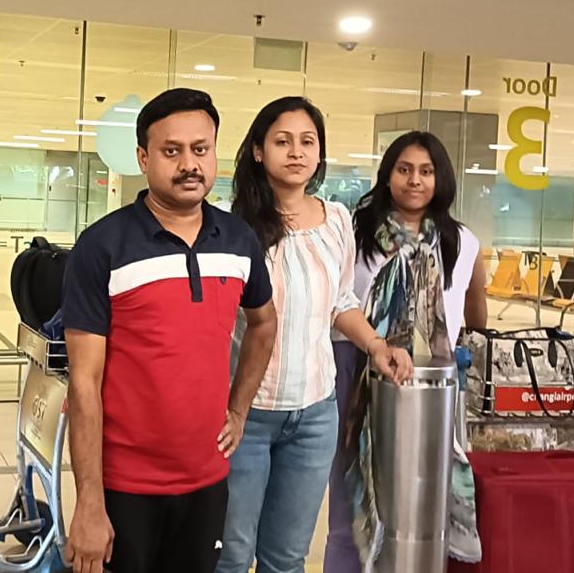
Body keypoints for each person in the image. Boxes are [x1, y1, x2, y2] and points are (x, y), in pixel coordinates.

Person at [62, 88, 279, 573]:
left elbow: (264, 322)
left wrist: (238, 409)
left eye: (200, 149)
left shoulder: (238, 239)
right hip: (124, 485)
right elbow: (84, 382)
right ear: (143, 158)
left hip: (206, 480)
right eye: (171, 151)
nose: (189, 164)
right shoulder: (103, 246)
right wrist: (89, 501)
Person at [218, 97, 412, 573]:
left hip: (314, 415)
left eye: (307, 142)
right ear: (258, 150)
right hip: (243, 415)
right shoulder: (229, 224)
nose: (296, 152)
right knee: (231, 554)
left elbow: (341, 301)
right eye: (282, 141)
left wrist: (376, 345)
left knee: (287, 558)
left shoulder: (337, 219)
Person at [324, 130, 488, 572]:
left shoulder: (460, 241)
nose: (415, 180)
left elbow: (474, 307)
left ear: (441, 178)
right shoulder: (355, 231)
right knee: (353, 492)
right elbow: (337, 301)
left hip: (430, 384)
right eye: (404, 169)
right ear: (388, 175)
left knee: (421, 498)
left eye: (426, 171)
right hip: (356, 371)